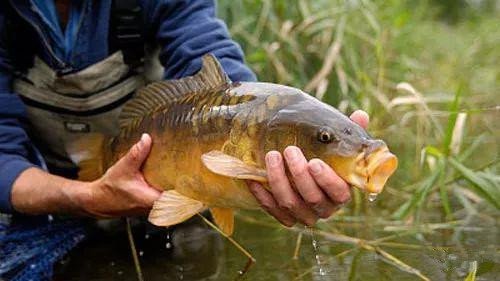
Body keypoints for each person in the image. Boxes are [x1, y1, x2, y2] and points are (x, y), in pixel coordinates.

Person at [0, 0, 369, 228]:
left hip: (163, 177)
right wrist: (85, 196)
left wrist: (254, 130)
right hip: (38, 184)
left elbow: (206, 51)